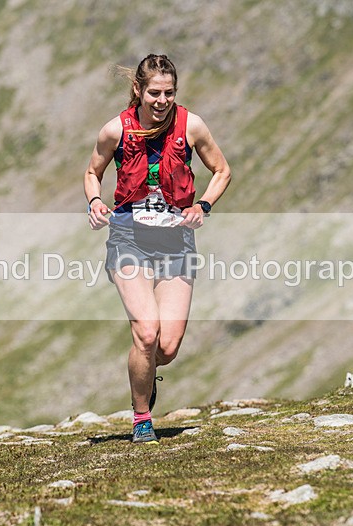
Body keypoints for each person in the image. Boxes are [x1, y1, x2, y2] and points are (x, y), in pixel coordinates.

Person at [83, 54, 231, 444]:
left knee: (166, 346)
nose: (162, 100)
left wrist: (203, 206)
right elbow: (92, 172)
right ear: (138, 90)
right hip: (129, 238)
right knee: (146, 333)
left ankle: (146, 372)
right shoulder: (115, 130)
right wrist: (95, 202)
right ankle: (141, 418)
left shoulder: (192, 126)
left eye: (168, 93)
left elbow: (222, 170)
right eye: (154, 93)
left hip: (175, 242)